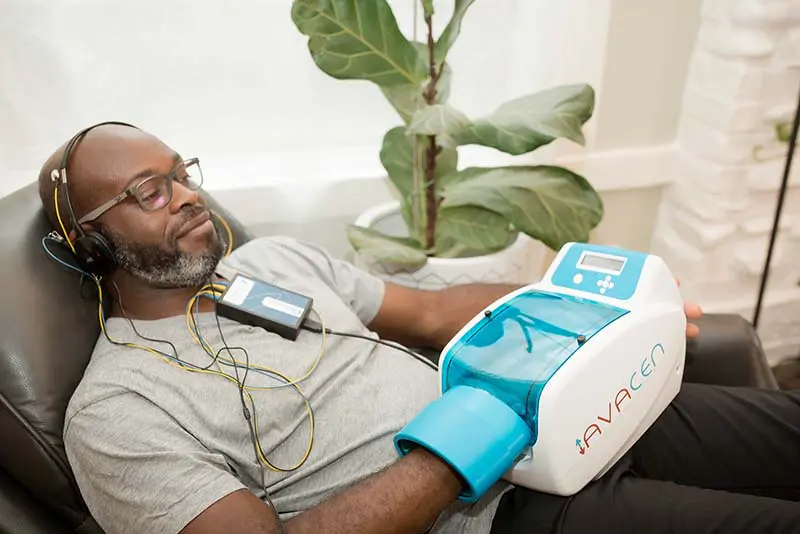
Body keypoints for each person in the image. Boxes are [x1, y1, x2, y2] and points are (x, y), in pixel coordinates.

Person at [39, 123, 800, 534]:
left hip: (565, 410)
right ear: (92, 243)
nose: (187, 195)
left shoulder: (270, 262)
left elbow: (432, 311)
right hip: (504, 513)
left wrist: (592, 302)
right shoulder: (117, 411)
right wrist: (470, 439)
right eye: (150, 190)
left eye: (182, 172)